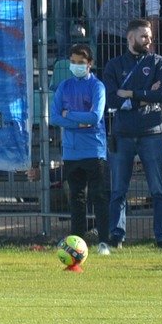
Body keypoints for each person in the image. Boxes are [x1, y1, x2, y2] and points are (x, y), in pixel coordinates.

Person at [101, 18, 162, 249]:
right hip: (122, 134)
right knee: (118, 189)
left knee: (158, 189)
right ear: (130, 38)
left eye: (150, 36)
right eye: (144, 36)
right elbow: (111, 100)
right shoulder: (113, 65)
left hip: (152, 132)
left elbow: (161, 95)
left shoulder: (159, 62)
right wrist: (143, 96)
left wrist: (130, 93)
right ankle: (116, 235)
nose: (149, 40)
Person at [53, 42, 109, 250]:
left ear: (90, 64)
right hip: (71, 152)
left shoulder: (97, 86)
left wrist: (70, 116)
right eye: (73, 62)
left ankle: (104, 241)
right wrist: (79, 121)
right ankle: (77, 243)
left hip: (94, 150)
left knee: (99, 196)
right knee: (76, 199)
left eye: (81, 62)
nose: (76, 65)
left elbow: (95, 117)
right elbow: (56, 117)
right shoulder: (64, 86)